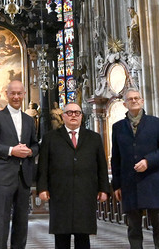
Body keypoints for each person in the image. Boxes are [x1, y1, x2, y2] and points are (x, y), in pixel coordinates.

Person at [37, 102, 110, 249]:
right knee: (61, 237)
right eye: (69, 113)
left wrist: (104, 189)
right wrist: (42, 188)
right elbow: (43, 166)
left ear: (81, 116)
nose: (73, 116)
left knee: (83, 236)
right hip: (60, 192)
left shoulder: (94, 138)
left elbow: (101, 166)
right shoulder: (50, 138)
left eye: (77, 113)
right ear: (63, 116)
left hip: (85, 192)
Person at [0, 80, 39, 249]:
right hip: (3, 177)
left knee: (22, 222)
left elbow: (35, 144)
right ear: (6, 94)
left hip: (24, 177)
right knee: (2, 221)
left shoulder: (29, 120)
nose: (16, 97)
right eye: (12, 93)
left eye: (19, 93)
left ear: (24, 95)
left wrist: (30, 151)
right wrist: (11, 150)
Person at [112, 88, 159, 249]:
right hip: (130, 182)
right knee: (133, 229)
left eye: (137, 98)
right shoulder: (118, 127)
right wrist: (116, 185)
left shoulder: (156, 123)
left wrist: (148, 161)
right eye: (130, 99)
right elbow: (116, 158)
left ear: (142, 101)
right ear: (125, 104)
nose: (134, 101)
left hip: (152, 180)